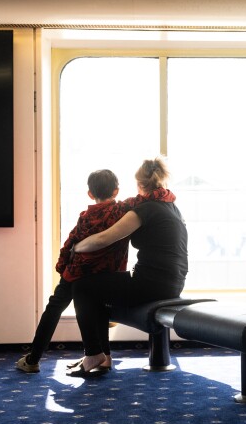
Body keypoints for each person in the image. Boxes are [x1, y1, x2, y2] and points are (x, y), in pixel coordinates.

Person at [67, 156, 188, 377]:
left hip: (150, 286)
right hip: (172, 283)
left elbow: (104, 239)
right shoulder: (171, 206)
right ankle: (104, 357)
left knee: (82, 287)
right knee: (99, 292)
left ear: (140, 184)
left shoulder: (146, 209)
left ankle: (93, 353)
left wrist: (75, 247)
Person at [15, 169, 138, 374]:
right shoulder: (123, 212)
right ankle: (105, 358)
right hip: (105, 275)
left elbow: (70, 244)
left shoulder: (86, 217)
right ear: (116, 191)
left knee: (53, 309)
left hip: (76, 273)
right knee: (99, 310)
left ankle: (33, 359)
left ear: (90, 194)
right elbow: (144, 199)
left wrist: (62, 268)